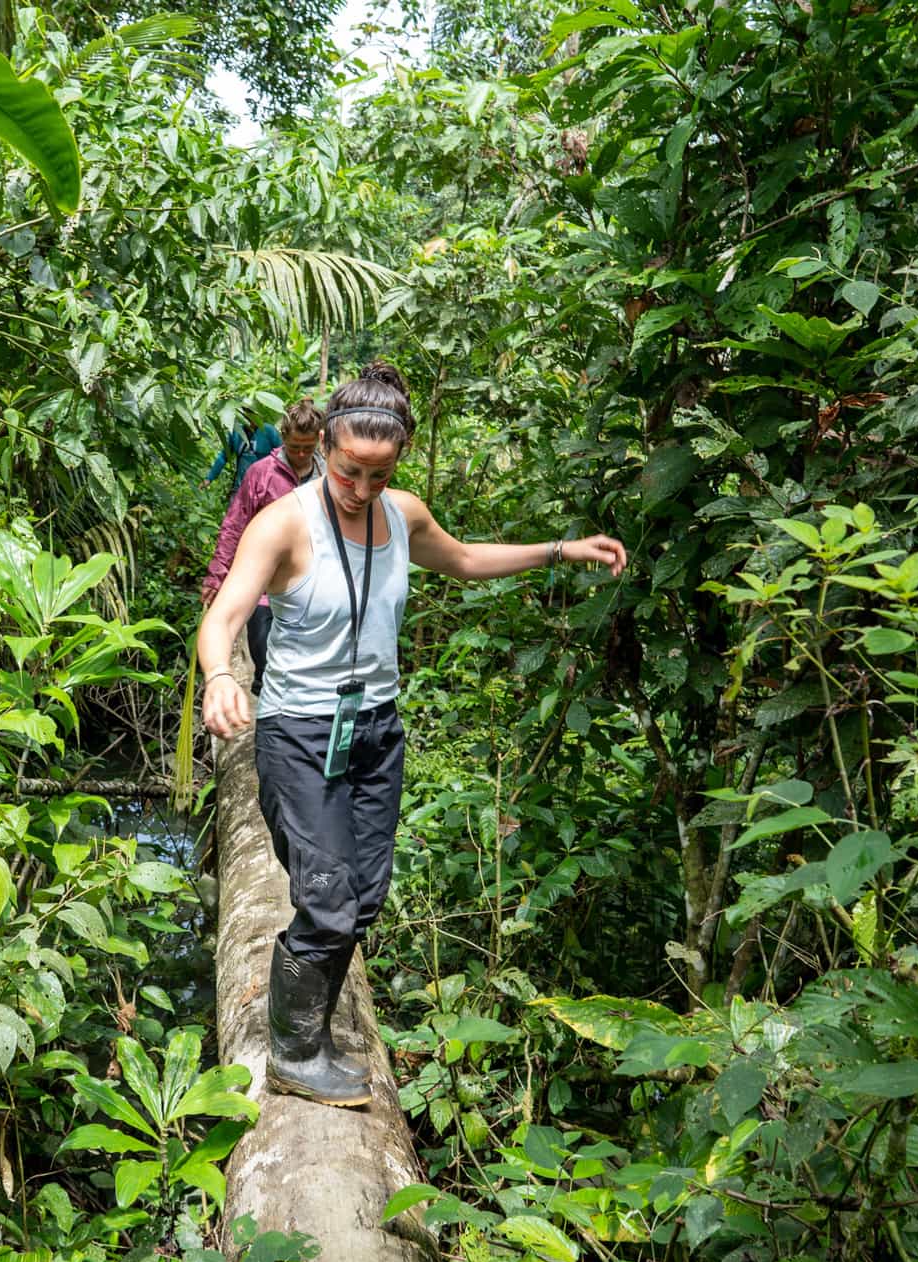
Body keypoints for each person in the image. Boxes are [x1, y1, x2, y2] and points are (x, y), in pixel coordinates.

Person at [197, 361, 628, 1107]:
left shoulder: (403, 514)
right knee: (327, 899)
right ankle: (296, 1053)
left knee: (362, 898)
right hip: (300, 732)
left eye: (378, 474)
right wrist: (221, 677)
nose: (362, 490)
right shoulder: (286, 523)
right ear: (325, 445)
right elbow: (226, 614)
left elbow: (461, 561)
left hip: (375, 731)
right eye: (346, 472)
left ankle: (316, 1022)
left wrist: (561, 550)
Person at [201, 398, 324, 689]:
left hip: (314, 586)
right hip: (265, 588)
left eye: (309, 447)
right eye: (295, 447)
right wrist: (216, 576)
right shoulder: (262, 474)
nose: (302, 454)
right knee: (264, 659)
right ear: (283, 438)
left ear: (320, 439)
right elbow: (234, 525)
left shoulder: (329, 476)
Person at [204, 413, 282, 493]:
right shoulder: (236, 432)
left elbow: (282, 456)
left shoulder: (269, 431)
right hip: (240, 487)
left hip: (264, 488)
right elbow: (224, 456)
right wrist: (209, 478)